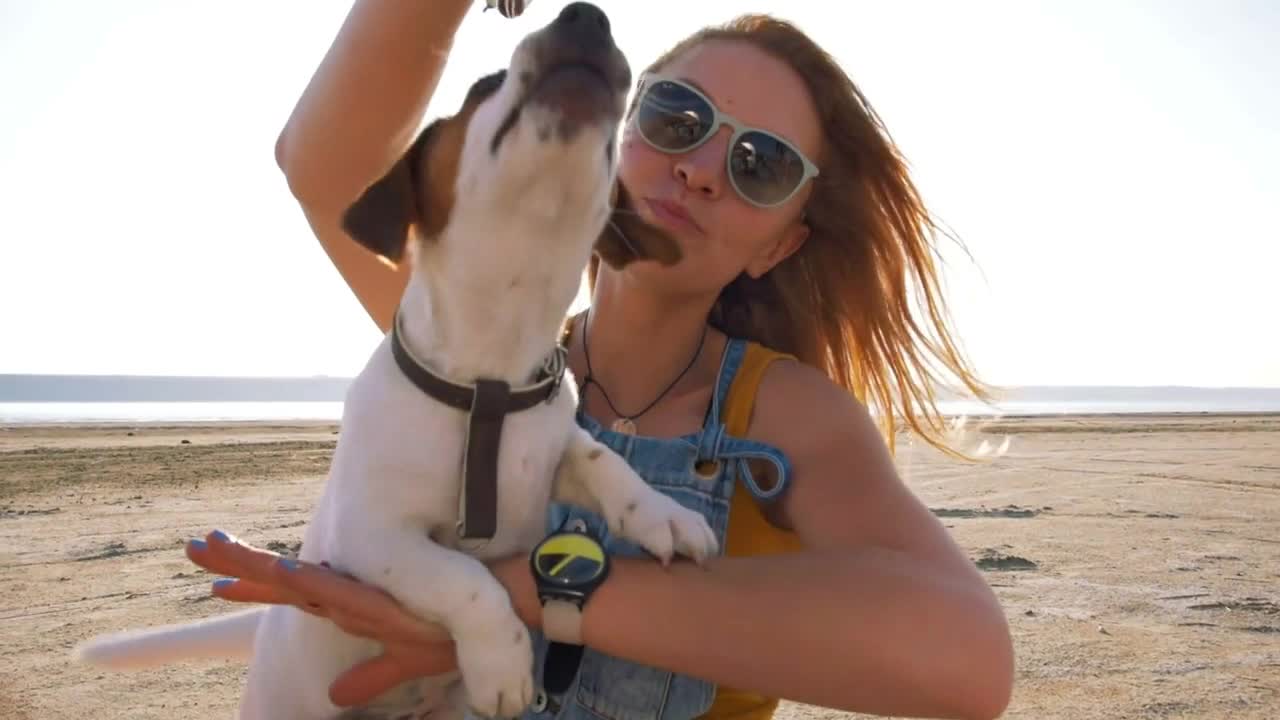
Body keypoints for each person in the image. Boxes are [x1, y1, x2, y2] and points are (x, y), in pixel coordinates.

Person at [187, 1, 1015, 718]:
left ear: (781, 244)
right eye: (676, 119)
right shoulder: (485, 349)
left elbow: (972, 661)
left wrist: (528, 593)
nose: (698, 171)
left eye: (758, 166)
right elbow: (321, 165)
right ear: (616, 135)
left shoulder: (781, 414)